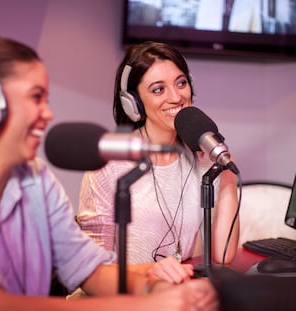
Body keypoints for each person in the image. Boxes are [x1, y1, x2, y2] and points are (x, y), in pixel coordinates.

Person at [0, 36, 218, 311]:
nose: (48, 113)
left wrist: (155, 285)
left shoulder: (37, 179)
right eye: (36, 98)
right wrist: (144, 306)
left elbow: (91, 270)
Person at [77, 41, 239, 283]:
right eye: (158, 89)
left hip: (173, 293)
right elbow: (91, 275)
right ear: (133, 102)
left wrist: (228, 175)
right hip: (121, 297)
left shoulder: (201, 158)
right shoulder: (110, 164)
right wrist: (149, 278)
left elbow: (223, 255)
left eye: (181, 83)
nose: (176, 97)